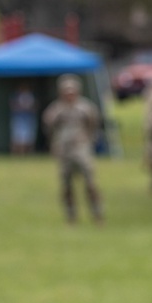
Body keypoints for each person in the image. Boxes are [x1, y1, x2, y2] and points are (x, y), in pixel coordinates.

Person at [41, 74, 103, 223]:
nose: (69, 94)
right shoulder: (56, 110)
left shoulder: (86, 108)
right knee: (66, 185)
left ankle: (97, 214)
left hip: (81, 147)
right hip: (64, 149)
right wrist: (54, 144)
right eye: (66, 91)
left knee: (90, 182)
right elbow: (49, 128)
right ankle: (71, 216)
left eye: (72, 91)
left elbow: (93, 125)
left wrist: (88, 141)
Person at [9, 82, 38, 155]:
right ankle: (17, 154)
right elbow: (13, 105)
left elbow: (35, 106)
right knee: (17, 138)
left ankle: (28, 154)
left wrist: (29, 109)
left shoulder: (31, 96)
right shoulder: (17, 96)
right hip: (19, 118)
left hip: (29, 118)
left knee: (29, 138)